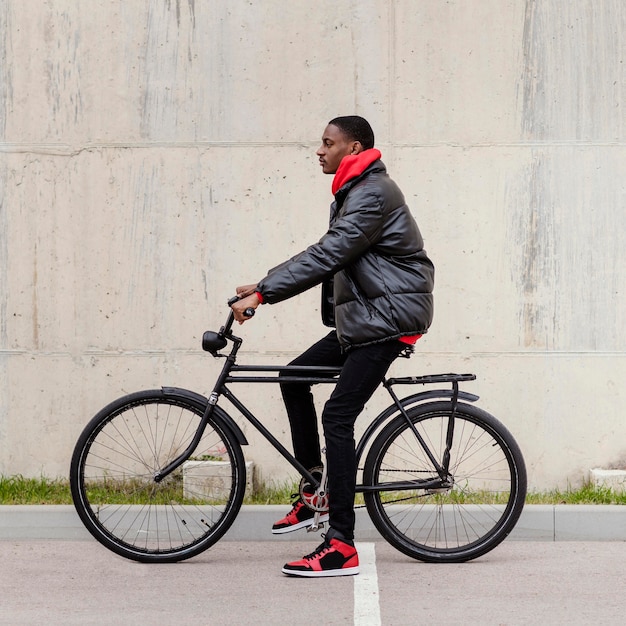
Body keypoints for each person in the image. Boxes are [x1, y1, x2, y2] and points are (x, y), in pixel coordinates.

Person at [231, 115, 434, 577]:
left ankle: (341, 543)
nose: (319, 151)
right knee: (293, 378)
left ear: (354, 147)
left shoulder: (373, 193)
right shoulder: (354, 190)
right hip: (367, 319)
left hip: (388, 320)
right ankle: (314, 491)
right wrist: (263, 283)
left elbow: (329, 254)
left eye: (328, 143)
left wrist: (264, 294)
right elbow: (327, 250)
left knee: (338, 415)